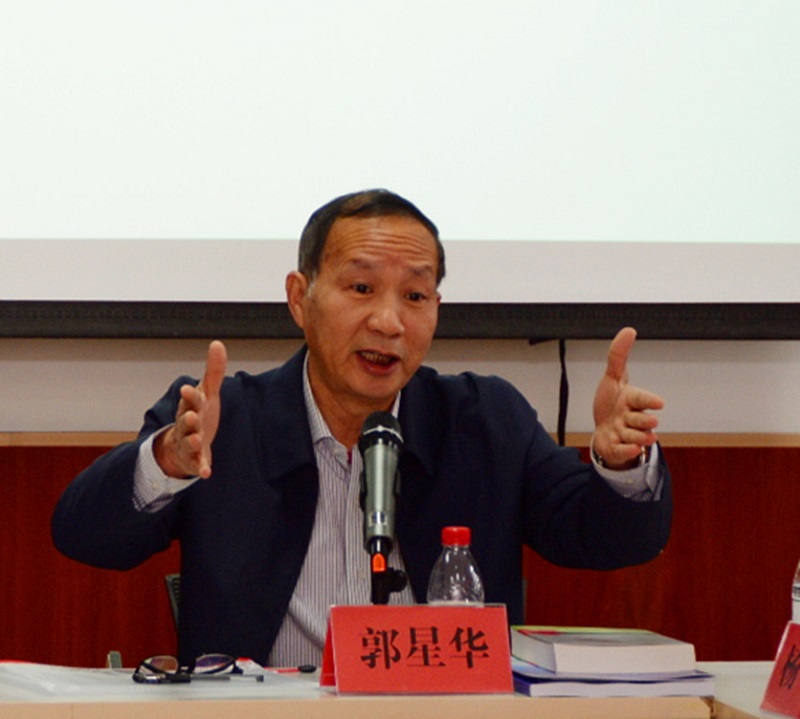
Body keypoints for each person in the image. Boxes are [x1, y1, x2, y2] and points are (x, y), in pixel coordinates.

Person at [52, 189, 669, 668]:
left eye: (415, 297)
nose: (388, 321)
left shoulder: (483, 420)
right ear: (300, 298)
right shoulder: (225, 420)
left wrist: (620, 462)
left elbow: (609, 540)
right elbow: (83, 536)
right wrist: (166, 461)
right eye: (361, 287)